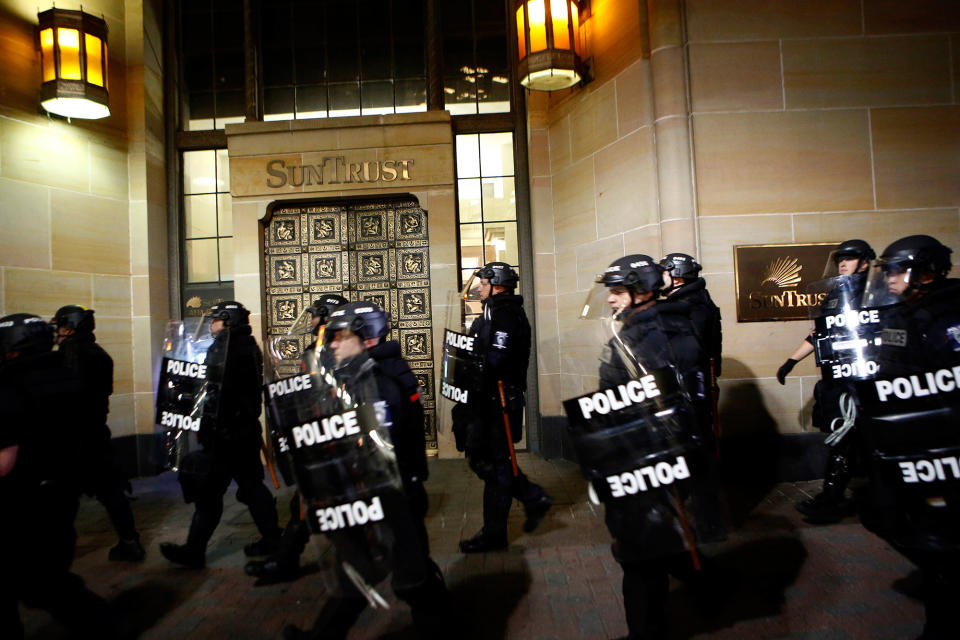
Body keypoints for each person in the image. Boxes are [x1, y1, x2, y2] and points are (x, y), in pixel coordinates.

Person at [284, 301, 450, 639]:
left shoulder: (380, 380)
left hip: (390, 494)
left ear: (366, 338)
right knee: (367, 573)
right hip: (383, 493)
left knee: (409, 579)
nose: (331, 343)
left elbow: (377, 444)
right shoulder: (368, 372)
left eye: (340, 336)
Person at [590, 254, 718, 639]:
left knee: (639, 552)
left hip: (648, 457)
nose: (611, 300)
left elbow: (662, 403)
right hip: (654, 454)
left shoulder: (652, 339)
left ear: (641, 291)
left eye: (617, 292)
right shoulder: (658, 328)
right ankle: (706, 583)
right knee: (660, 539)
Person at [854, 235, 959, 639]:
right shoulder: (901, 314)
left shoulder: (949, 318)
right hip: (904, 439)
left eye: (898, 270)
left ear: (926, 272)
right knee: (888, 515)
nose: (891, 278)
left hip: (941, 445)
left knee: (940, 536)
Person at [0, 313, 115, 638]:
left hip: (20, 499)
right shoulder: (68, 374)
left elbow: (5, 460)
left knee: (40, 582)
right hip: (63, 488)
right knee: (45, 579)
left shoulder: (10, 385)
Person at [160, 301, 281, 568]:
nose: (211, 323)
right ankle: (273, 540)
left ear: (227, 321)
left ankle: (194, 551)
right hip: (244, 430)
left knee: (210, 495)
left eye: (216, 319)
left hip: (224, 435)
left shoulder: (224, 348)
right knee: (251, 487)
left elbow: (211, 392)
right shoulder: (246, 345)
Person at [246, 294, 346, 583]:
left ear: (327, 316)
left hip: (329, 438)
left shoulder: (333, 350)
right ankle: (286, 560)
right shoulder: (319, 348)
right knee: (307, 503)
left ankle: (286, 562)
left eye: (316, 314)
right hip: (320, 436)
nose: (311, 319)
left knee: (313, 503)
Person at [776, 239, 875, 523]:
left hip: (866, 378)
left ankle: (845, 498)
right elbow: (820, 333)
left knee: (863, 440)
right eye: (840, 258)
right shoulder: (834, 294)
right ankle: (832, 498)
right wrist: (792, 361)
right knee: (842, 440)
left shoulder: (876, 293)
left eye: (850, 258)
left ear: (865, 262)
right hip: (839, 378)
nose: (843, 263)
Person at [458, 262, 552, 554]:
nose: (480, 286)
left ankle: (496, 532)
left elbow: (497, 358)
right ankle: (531, 496)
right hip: (486, 400)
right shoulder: (490, 312)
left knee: (496, 464)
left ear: (497, 283)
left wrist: (473, 367)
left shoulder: (506, 313)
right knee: (486, 461)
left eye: (484, 281)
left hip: (501, 399)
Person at [51, 305, 144, 562]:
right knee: (111, 492)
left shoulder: (69, 354)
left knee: (62, 498)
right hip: (95, 432)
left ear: (69, 328)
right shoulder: (99, 354)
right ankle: (129, 540)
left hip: (72, 437)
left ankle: (55, 556)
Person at [660, 253, 723, 440]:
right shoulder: (692, 301)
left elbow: (686, 355)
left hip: (688, 391)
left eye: (663, 273)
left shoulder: (689, 307)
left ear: (677, 279)